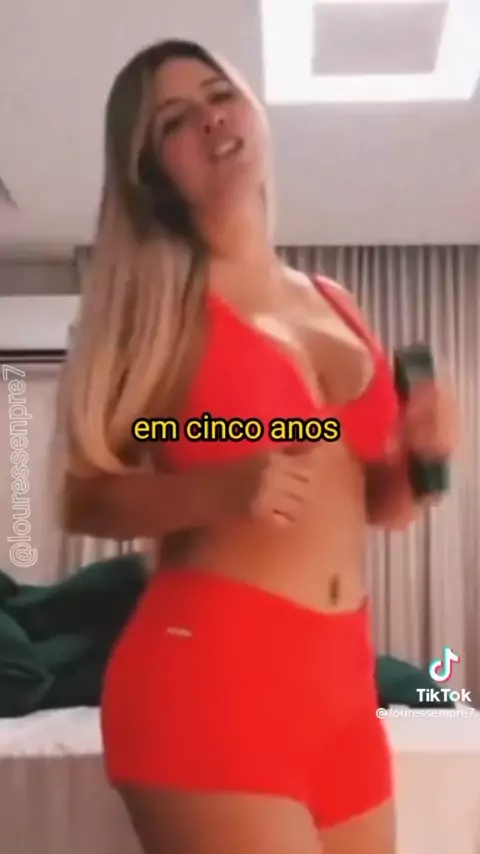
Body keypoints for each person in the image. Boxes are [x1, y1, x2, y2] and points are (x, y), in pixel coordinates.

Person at [56, 39, 458, 854]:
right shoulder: (154, 308)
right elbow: (82, 494)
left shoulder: (334, 301)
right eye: (174, 120)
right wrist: (215, 488)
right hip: (209, 680)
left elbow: (376, 504)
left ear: (253, 112)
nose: (210, 119)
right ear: (150, 172)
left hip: (342, 692)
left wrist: (420, 465)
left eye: (219, 95)